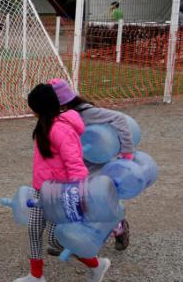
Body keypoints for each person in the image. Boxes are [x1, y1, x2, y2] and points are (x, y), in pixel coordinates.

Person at [12, 83, 111, 282]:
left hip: (61, 194)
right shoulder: (44, 125)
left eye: (34, 108)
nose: (32, 112)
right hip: (43, 190)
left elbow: (75, 165)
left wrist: (76, 195)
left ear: (41, 107)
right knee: (33, 229)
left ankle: (96, 263)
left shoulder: (61, 130)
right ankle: (36, 275)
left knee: (57, 240)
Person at [50, 78, 134, 251]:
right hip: (75, 165)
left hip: (96, 166)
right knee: (74, 201)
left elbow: (119, 119)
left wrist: (127, 151)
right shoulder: (58, 117)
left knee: (99, 202)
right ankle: (72, 241)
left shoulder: (88, 113)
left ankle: (119, 228)